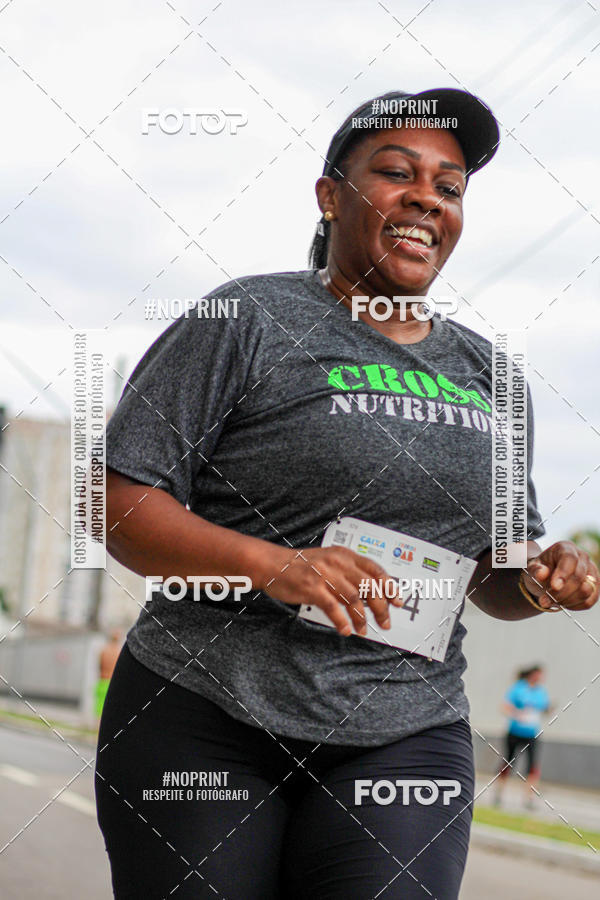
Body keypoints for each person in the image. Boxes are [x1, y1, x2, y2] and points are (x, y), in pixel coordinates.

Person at [94, 88, 600, 899]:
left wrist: (541, 580)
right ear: (331, 196)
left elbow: (495, 574)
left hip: (406, 729)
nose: (426, 198)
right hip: (205, 712)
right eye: (397, 172)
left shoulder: (493, 377)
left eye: (450, 186)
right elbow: (117, 501)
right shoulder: (248, 318)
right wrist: (272, 565)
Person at [494, 665, 551, 810]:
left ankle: (529, 799)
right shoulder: (518, 688)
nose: (540, 679)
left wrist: (548, 709)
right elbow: (504, 706)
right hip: (515, 732)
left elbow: (544, 708)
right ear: (532, 675)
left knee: (532, 766)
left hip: (531, 734)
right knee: (507, 763)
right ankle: (498, 794)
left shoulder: (540, 692)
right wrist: (516, 714)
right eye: (538, 675)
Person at [95, 628, 123, 720]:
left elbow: (99, 666)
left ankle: (98, 730)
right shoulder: (119, 652)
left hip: (102, 681)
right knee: (110, 712)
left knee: (100, 712)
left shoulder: (104, 651)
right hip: (113, 683)